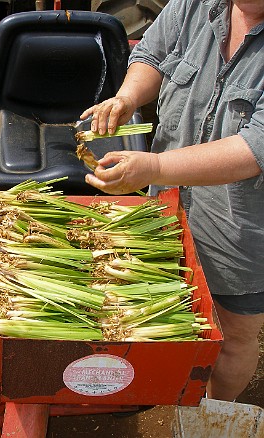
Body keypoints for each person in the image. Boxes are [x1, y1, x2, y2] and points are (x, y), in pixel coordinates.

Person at [81, 0, 264, 402]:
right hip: (167, 206)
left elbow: (254, 148)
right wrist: (126, 99)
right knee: (166, 301)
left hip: (239, 228)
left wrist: (155, 166)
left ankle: (212, 411)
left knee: (235, 335)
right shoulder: (196, 5)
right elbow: (152, 54)